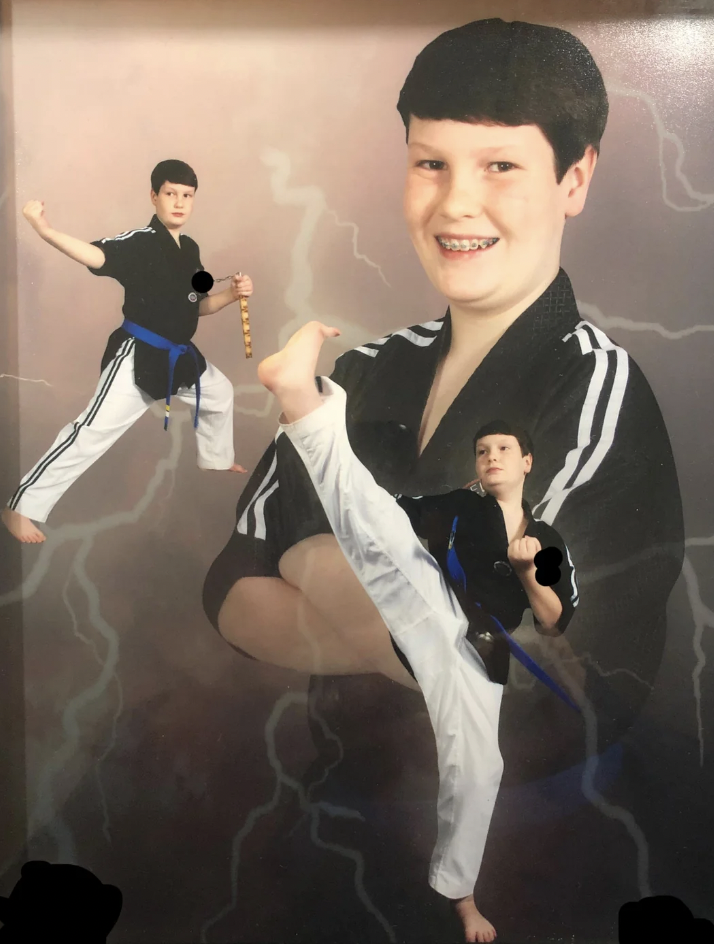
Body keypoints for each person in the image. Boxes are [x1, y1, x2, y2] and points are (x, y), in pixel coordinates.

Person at [203, 18, 683, 942]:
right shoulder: (371, 370)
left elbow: (537, 666)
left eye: (500, 166)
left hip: (543, 855)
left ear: (574, 178)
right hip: (335, 822)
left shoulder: (597, 389)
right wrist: (404, 626)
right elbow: (230, 584)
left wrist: (318, 573)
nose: (456, 204)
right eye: (431, 163)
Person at [257, 319, 580, 942]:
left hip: (481, 656)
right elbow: (385, 516)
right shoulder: (461, 504)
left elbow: (555, 620)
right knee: (374, 518)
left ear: (527, 461)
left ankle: (459, 894)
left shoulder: (550, 541)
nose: (489, 458)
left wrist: (527, 571)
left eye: (502, 450)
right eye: (482, 451)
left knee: (482, 770)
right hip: (432, 602)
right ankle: (302, 400)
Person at [2, 159, 253, 544]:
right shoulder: (139, 241)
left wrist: (232, 296)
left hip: (180, 354)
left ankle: (215, 459)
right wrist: (45, 230)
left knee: (220, 393)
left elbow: (198, 305)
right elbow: (95, 256)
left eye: (188, 196)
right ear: (154, 196)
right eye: (171, 193)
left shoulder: (190, 249)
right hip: (138, 355)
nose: (179, 202)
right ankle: (20, 506)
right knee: (90, 433)